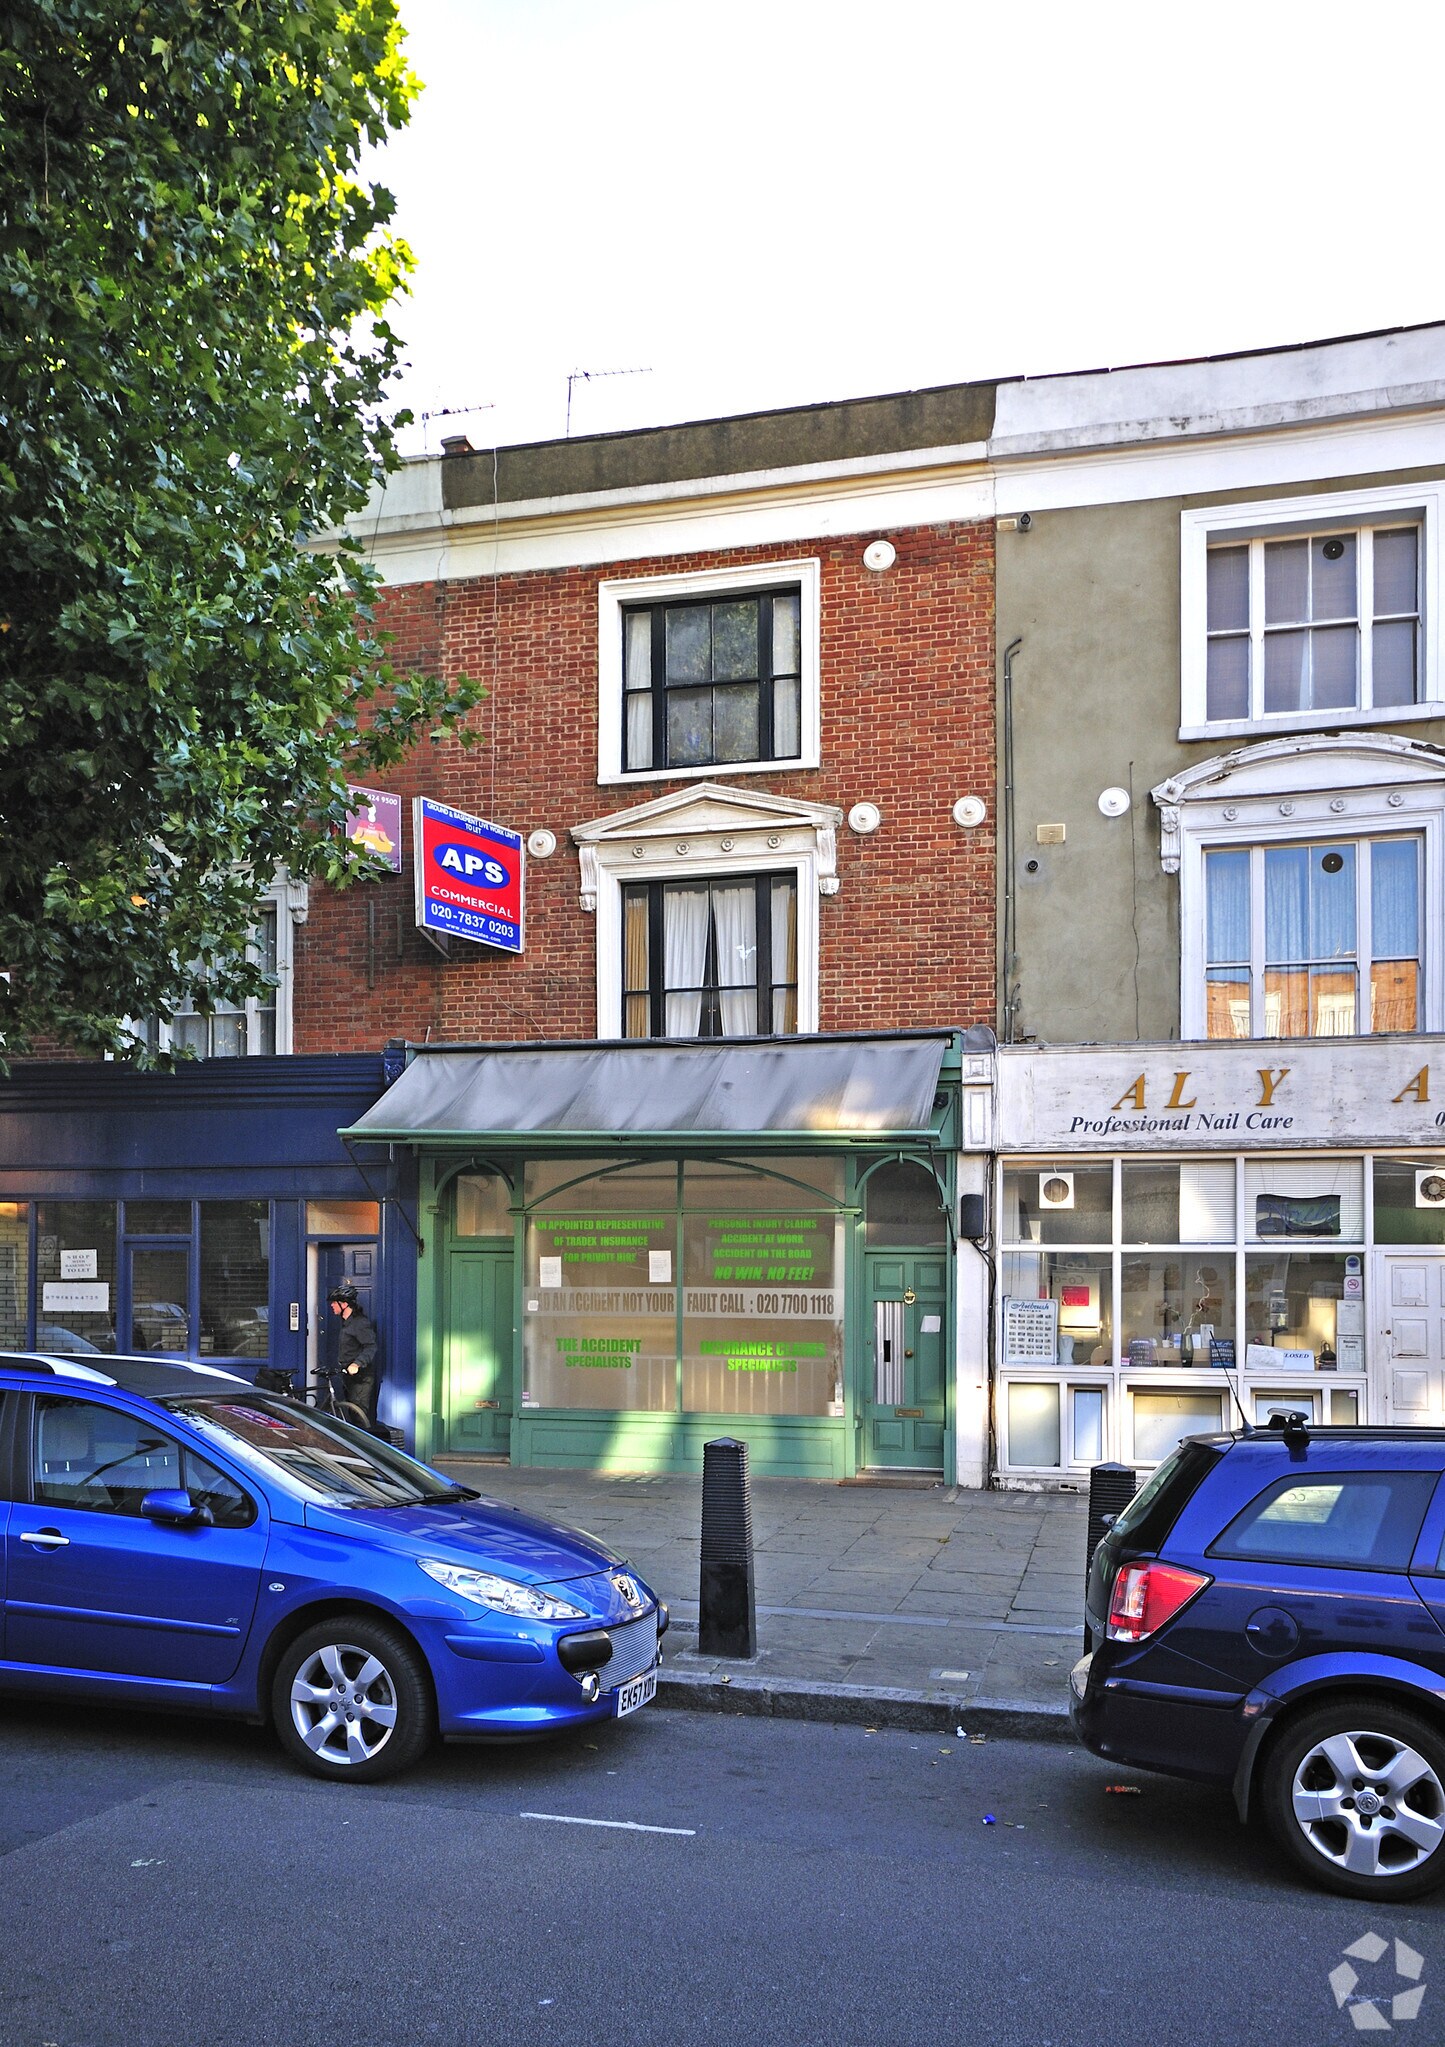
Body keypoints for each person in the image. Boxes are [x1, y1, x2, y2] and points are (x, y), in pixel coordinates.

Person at [327, 1282, 380, 1427]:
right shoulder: (345, 1323)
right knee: (351, 1414)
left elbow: (371, 1346)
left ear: (344, 1304)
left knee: (359, 1417)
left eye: (334, 1303)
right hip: (348, 1377)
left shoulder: (359, 1323)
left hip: (361, 1378)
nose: (332, 1306)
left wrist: (357, 1364)